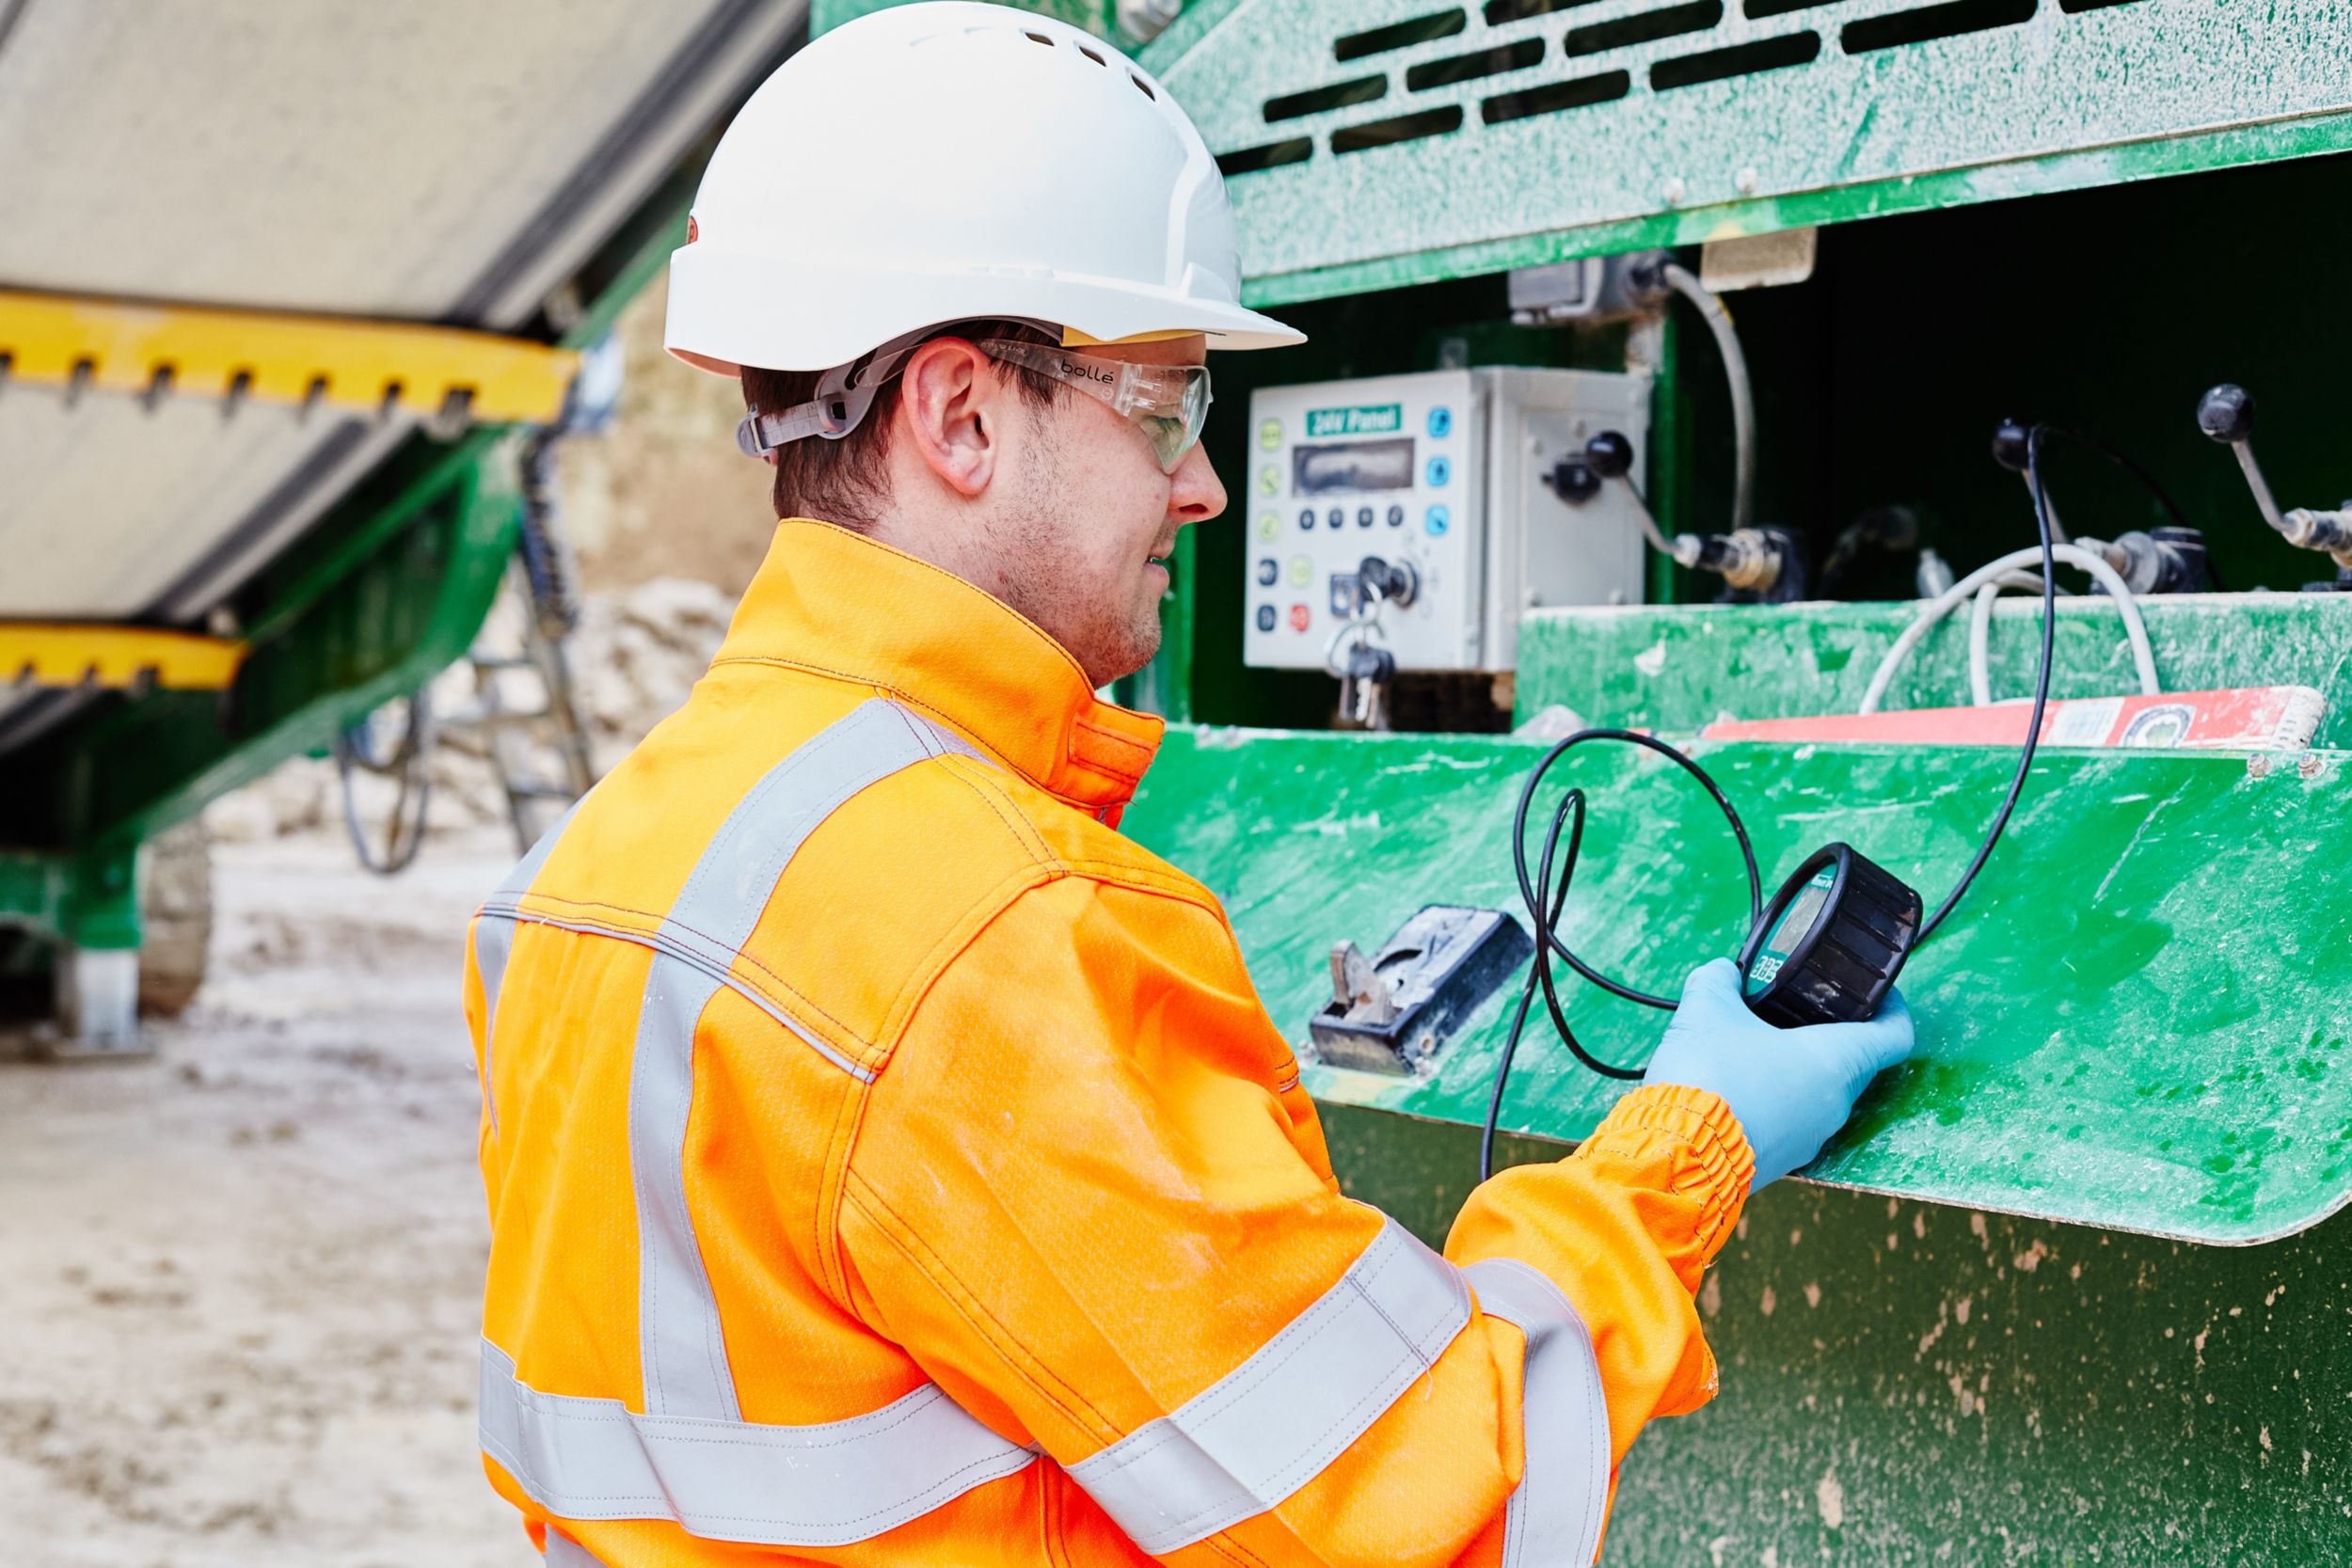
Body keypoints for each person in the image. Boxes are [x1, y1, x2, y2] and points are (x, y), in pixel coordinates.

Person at [462, 6, 1915, 1565]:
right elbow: (1412, 1497)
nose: (1207, 485)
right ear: (961, 416)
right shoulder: (994, 937)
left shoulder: (592, 868)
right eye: (1162, 408)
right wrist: (1686, 1152)